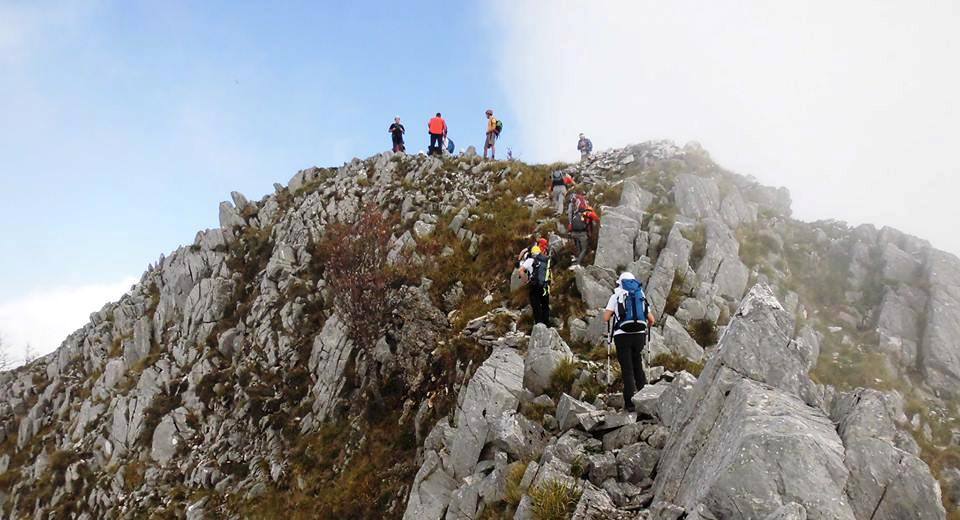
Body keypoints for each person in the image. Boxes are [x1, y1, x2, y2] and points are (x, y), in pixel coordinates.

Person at [603, 272, 656, 412]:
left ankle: (630, 404)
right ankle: (645, 399)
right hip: (639, 336)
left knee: (627, 370)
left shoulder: (617, 295)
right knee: (638, 366)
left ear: (620, 282)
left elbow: (606, 317)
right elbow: (652, 320)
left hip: (622, 336)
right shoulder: (640, 295)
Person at [519, 241, 552, 326]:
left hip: (535, 286)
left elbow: (521, 270)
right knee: (545, 305)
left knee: (536, 305)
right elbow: (549, 272)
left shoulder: (530, 260)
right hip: (545, 285)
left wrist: (525, 281)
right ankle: (547, 323)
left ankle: (539, 324)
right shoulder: (545, 260)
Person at [568, 193, 600, 264]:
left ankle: (576, 260)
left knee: (578, 247)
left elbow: (570, 221)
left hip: (573, 233)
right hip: (582, 234)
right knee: (584, 249)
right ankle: (578, 263)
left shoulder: (576, 214)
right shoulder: (588, 213)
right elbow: (597, 219)